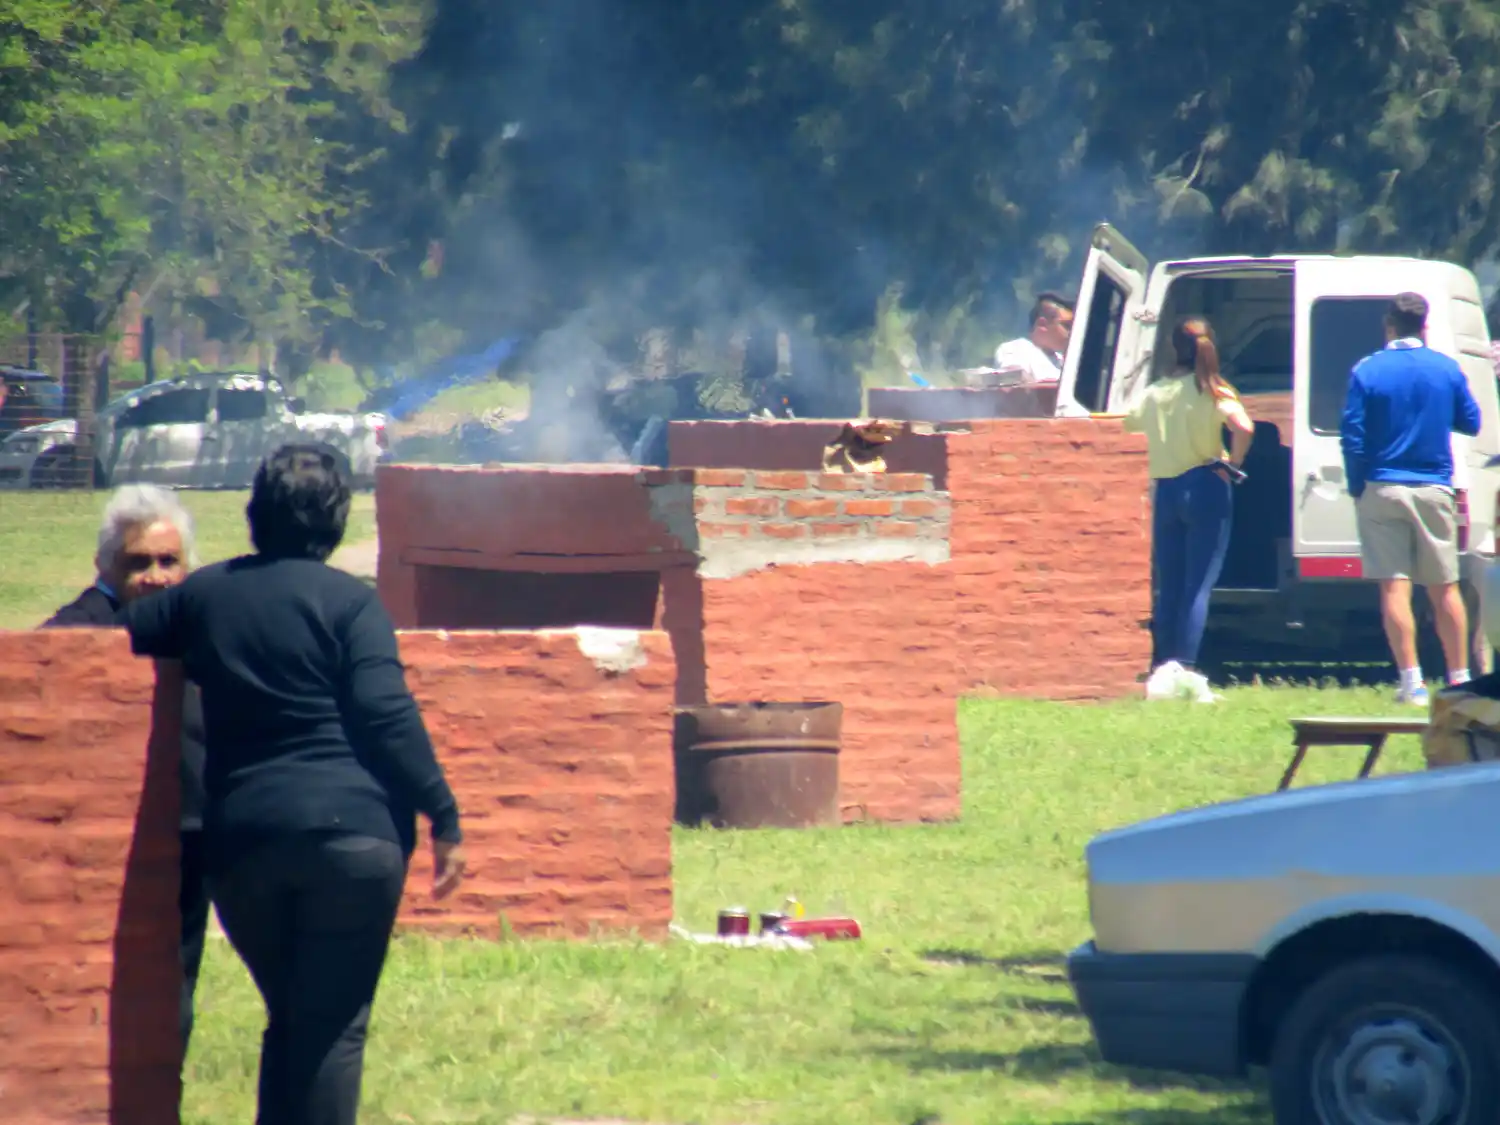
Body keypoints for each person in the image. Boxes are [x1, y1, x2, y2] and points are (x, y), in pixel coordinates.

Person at [122, 444, 467, 1125]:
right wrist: (444, 814)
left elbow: (115, 632)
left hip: (245, 845)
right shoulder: (351, 604)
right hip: (355, 843)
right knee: (330, 1028)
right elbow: (385, 713)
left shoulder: (207, 594)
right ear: (337, 520)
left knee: (294, 1020)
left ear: (256, 514)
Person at [41, 484, 210, 1093]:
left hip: (190, 826)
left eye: (170, 561)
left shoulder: (201, 626)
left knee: (178, 978)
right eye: (139, 563)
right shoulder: (77, 629)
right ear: (106, 567)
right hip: (100, 842)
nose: (158, 577)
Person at [1342, 292, 1483, 706]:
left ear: (1389, 325)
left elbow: (1353, 435)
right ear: (1424, 326)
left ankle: (1412, 682)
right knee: (1445, 588)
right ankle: (1459, 680)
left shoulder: (1367, 370)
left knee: (1394, 588)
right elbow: (1471, 422)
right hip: (1434, 486)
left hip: (1383, 485)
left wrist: (1357, 484)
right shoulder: (1446, 368)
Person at [1124, 317, 1255, 702]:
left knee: (1170, 585)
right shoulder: (1213, 391)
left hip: (1165, 490)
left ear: (1172, 350)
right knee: (1198, 585)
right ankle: (1186, 665)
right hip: (1206, 484)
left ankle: (1163, 665)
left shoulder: (1155, 393)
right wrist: (1234, 465)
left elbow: (1124, 424)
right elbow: (1244, 428)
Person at [981, 293, 1076, 387]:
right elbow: (1013, 383)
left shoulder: (1063, 362)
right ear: (1042, 324)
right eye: (1066, 326)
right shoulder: (1017, 349)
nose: (1071, 332)